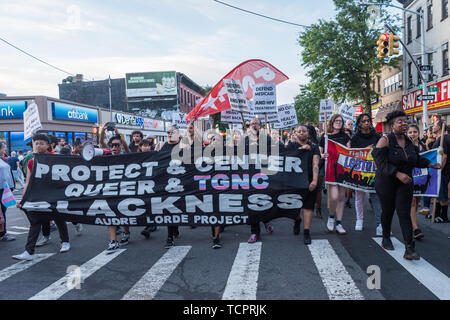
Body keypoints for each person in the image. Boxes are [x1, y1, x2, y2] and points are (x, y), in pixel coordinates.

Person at [372, 110, 440, 260]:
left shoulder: (409, 142)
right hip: (386, 182)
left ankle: (410, 248)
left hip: (405, 183)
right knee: (388, 211)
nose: (404, 124)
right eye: (400, 122)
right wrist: (397, 174)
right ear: (392, 126)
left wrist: (430, 164)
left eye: (405, 121)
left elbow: (415, 159)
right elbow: (380, 163)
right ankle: (386, 237)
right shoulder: (385, 140)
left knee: (404, 213)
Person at [13, 134, 71, 260]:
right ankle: (29, 251)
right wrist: (23, 199)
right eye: (36, 143)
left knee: (59, 218)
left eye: (41, 143)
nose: (38, 146)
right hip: (39, 196)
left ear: (48, 145)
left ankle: (65, 241)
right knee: (36, 222)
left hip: (55, 195)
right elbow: (27, 181)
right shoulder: (31, 161)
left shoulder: (56, 158)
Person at [100, 124, 131, 253]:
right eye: (112, 145)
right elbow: (102, 144)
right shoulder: (107, 155)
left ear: (121, 146)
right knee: (110, 214)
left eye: (117, 145)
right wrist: (102, 131)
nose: (114, 147)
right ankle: (113, 241)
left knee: (123, 213)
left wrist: (120, 135)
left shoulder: (126, 156)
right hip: (109, 189)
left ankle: (126, 232)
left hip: (124, 189)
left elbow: (128, 149)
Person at [350, 113, 383, 235]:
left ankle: (380, 223)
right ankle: (360, 219)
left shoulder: (377, 136)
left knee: (375, 197)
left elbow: (382, 151)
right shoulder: (355, 138)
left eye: (368, 120)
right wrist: (364, 150)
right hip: (360, 171)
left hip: (374, 171)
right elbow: (352, 155)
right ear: (359, 123)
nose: (366, 123)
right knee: (359, 197)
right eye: (363, 121)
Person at [319, 114, 351, 234]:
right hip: (331, 168)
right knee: (334, 196)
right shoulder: (325, 136)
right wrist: (323, 156)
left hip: (342, 168)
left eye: (341, 121)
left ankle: (339, 223)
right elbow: (320, 152)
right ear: (332, 122)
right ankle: (331, 217)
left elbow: (349, 152)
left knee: (341, 197)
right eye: (336, 120)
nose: (338, 122)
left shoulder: (345, 136)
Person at [289, 125, 319, 244]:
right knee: (295, 207)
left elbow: (315, 164)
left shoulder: (314, 147)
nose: (301, 133)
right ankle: (297, 220)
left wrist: (315, 181)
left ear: (308, 133)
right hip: (294, 181)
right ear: (295, 133)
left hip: (309, 180)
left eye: (304, 131)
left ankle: (306, 232)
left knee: (308, 207)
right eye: (299, 131)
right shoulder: (290, 146)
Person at [247, 117, 275, 243]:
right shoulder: (245, 139)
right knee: (252, 203)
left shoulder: (267, 138)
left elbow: (274, 152)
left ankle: (266, 220)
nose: (254, 126)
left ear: (260, 126)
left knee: (263, 201)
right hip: (249, 176)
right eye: (252, 124)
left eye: (256, 124)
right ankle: (255, 232)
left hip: (264, 175)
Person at [158, 125, 182, 248]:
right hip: (167, 183)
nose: (170, 133)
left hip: (181, 182)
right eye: (168, 131)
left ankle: (175, 227)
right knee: (169, 208)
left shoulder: (183, 146)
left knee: (177, 208)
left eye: (173, 132)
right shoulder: (163, 146)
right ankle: (170, 236)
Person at [407, 124, 426, 239]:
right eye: (410, 132)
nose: (412, 134)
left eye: (414, 132)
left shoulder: (423, 145)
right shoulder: (404, 146)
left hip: (421, 179)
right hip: (409, 178)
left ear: (418, 133)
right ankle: (415, 228)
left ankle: (411, 221)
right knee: (412, 201)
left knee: (417, 202)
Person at [432, 121, 449, 223]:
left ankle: (444, 216)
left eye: (434, 125)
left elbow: (444, 156)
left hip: (443, 170)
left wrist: (439, 169)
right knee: (438, 192)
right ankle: (437, 214)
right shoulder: (440, 138)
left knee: (442, 193)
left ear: (438, 127)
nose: (432, 127)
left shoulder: (444, 138)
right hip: (443, 170)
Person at [0, 142, 16, 241]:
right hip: (1, 189)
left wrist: (11, 186)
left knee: (3, 210)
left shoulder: (2, 159)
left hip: (5, 188)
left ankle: (2, 232)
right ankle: (3, 233)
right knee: (1, 211)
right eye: (3, 148)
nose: (4, 150)